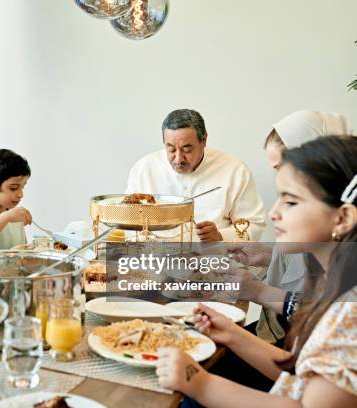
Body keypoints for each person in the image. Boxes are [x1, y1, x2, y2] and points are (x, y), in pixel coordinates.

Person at [154, 135, 357, 407]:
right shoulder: (330, 282)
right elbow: (302, 380)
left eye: (291, 201)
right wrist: (233, 334)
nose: (274, 213)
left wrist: (199, 384)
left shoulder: (349, 311)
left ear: (342, 218)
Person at [228, 110, 352, 343]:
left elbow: (320, 314)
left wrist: (257, 291)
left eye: (292, 201)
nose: (274, 213)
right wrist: (267, 255)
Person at [126, 109, 266, 242]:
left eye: (187, 149)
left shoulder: (235, 170)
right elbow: (127, 223)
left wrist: (221, 236)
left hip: (214, 261)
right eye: (171, 149)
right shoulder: (143, 169)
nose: (178, 159)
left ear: (204, 140)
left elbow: (254, 225)